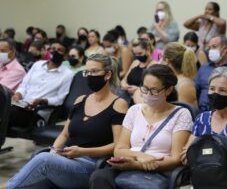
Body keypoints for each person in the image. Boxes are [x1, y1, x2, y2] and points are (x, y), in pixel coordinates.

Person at [3, 54, 128, 189]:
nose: (90, 76)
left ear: (108, 74)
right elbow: (64, 134)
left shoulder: (119, 104)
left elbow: (117, 145)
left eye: (94, 71)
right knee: (39, 165)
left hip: (90, 164)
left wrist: (82, 152)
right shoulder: (80, 100)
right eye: (87, 72)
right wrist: (54, 151)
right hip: (68, 158)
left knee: (43, 160)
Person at [89, 64, 192, 189]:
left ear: (169, 90)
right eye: (144, 89)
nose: (148, 94)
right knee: (99, 177)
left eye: (154, 90)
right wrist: (139, 157)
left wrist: (137, 165)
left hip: (158, 172)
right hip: (128, 166)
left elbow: (176, 159)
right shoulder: (134, 110)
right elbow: (119, 149)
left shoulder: (181, 114)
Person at [9, 48, 73, 128]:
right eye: (54, 49)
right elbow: (24, 86)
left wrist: (42, 101)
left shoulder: (67, 74)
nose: (56, 52)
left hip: (38, 112)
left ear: (65, 56)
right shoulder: (37, 64)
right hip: (22, 105)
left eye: (60, 50)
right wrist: (18, 95)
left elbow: (59, 99)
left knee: (8, 113)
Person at [195, 35, 227, 112]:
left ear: (225, 48)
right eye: (209, 48)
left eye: (214, 47)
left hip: (226, 112)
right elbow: (196, 91)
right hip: (202, 111)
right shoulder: (203, 68)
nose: (210, 51)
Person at [160, 42, 198, 107]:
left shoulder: (185, 85)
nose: (159, 61)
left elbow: (186, 114)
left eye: (161, 57)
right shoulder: (170, 79)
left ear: (166, 61)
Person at [121, 38, 155, 103]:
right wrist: (124, 85)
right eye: (135, 54)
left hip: (142, 100)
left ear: (148, 50)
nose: (137, 56)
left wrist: (138, 89)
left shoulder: (154, 65)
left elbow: (154, 89)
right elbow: (123, 80)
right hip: (127, 97)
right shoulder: (135, 62)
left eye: (140, 53)